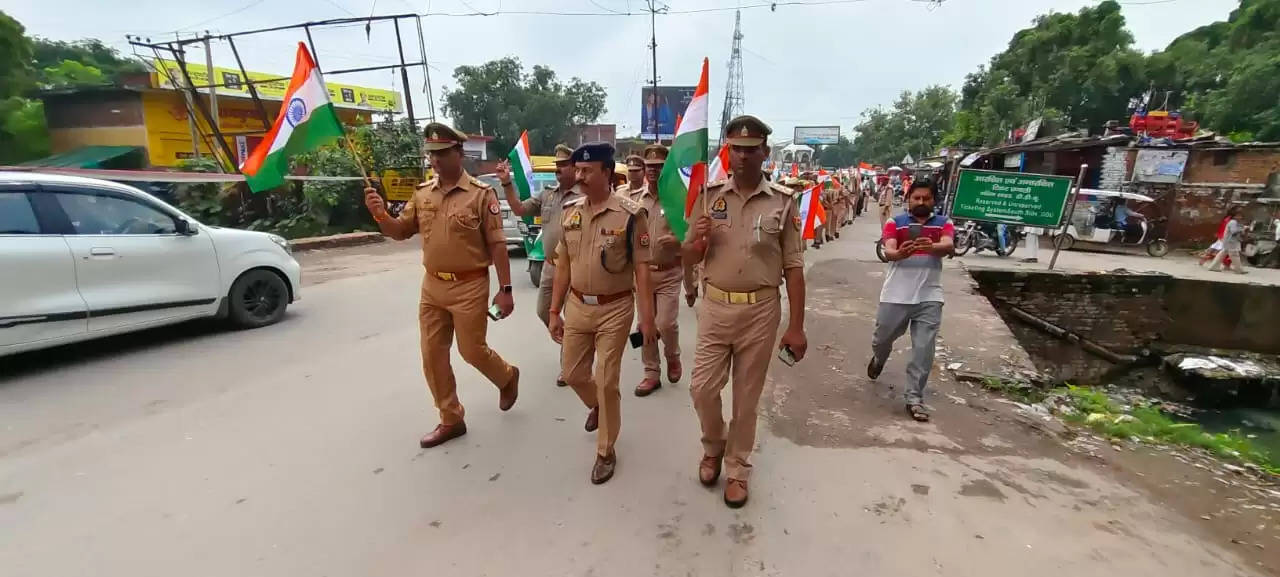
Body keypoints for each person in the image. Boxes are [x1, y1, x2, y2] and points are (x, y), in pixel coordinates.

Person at [363, 122, 520, 448]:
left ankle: (506, 376)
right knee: (432, 355)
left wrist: (505, 291)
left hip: (470, 285)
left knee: (471, 350)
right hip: (432, 287)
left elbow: (498, 245)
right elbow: (400, 231)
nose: (434, 160)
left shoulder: (481, 194)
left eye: (441, 153)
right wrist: (379, 215)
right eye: (431, 154)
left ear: (458, 153)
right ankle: (451, 418)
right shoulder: (422, 194)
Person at [682, 115, 807, 508]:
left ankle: (737, 468)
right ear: (728, 151)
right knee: (701, 388)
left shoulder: (783, 202)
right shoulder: (709, 196)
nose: (743, 157)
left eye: (751, 150)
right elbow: (689, 253)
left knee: (746, 398)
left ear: (764, 153)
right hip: (716, 305)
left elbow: (793, 267)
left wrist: (797, 326)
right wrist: (695, 246)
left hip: (760, 310)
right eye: (736, 149)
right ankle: (713, 445)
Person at [547, 142, 658, 484]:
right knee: (573, 372)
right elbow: (563, 265)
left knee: (607, 378)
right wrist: (554, 311)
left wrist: (648, 316)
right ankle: (598, 406)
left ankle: (605, 450)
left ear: (607, 173)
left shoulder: (630, 214)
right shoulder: (571, 212)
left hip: (616, 307)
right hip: (578, 305)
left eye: (586, 171)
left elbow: (642, 269)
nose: (578, 176)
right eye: (577, 170)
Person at [867, 179, 955, 423]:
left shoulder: (943, 223)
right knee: (882, 339)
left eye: (926, 198)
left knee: (924, 349)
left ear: (933, 200)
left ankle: (914, 398)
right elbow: (889, 250)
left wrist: (933, 246)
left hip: (930, 296)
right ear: (909, 199)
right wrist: (901, 253)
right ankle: (879, 358)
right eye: (916, 198)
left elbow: (948, 245)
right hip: (896, 295)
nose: (921, 202)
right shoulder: (896, 222)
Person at [497, 144, 581, 387]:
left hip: (575, 267)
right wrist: (506, 183)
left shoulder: (583, 196)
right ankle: (573, 343)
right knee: (544, 311)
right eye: (557, 166)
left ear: (575, 168)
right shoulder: (547, 195)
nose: (559, 171)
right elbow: (519, 208)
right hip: (550, 266)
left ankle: (570, 363)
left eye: (564, 166)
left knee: (573, 317)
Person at [627, 144, 689, 396]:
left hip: (669, 272)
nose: (653, 171)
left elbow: (694, 236)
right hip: (642, 275)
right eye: (649, 167)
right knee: (645, 324)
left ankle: (673, 355)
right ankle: (651, 373)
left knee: (664, 323)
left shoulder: (679, 199)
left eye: (659, 167)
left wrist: (677, 242)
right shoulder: (633, 199)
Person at [1208, 206, 1249, 274]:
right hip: (1231, 242)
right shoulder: (1233, 222)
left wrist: (1242, 227)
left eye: (1240, 216)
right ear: (1234, 216)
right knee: (1235, 255)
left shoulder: (1233, 221)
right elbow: (1234, 231)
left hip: (1228, 241)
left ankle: (1213, 266)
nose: (1240, 217)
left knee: (1222, 254)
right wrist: (1243, 229)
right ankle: (1239, 270)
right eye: (1238, 216)